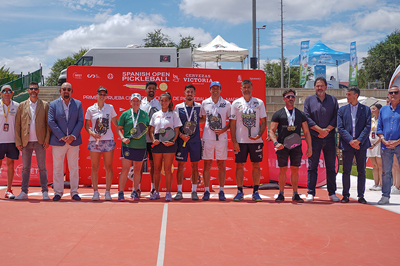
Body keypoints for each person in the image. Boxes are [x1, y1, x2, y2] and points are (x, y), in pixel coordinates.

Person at [269, 89, 312, 203]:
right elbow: (271, 131)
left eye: (292, 96)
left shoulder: (300, 114)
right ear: (284, 99)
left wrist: (310, 147)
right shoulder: (278, 114)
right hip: (282, 146)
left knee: (295, 169)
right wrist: (275, 143)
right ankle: (281, 194)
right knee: (282, 170)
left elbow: (306, 132)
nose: (291, 99)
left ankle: (295, 194)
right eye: (288, 97)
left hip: (296, 146)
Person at [303, 77, 339, 202]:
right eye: (317, 86)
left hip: (329, 138)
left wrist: (327, 130)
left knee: (330, 167)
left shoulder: (333, 100)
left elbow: (336, 117)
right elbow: (307, 118)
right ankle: (311, 192)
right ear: (314, 87)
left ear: (326, 87)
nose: (320, 88)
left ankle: (332, 192)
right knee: (312, 166)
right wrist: (320, 131)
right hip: (314, 138)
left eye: (322, 85)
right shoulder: (309, 100)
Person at [230, 80, 267, 202]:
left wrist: (259, 135)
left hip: (255, 140)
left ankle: (256, 192)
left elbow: (264, 121)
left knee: (256, 165)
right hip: (241, 140)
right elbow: (233, 124)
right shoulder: (235, 103)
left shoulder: (259, 102)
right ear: (241, 88)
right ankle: (239, 191)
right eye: (244, 87)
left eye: (248, 87)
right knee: (239, 165)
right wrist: (234, 141)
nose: (246, 89)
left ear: (252, 88)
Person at [14, 82, 50, 200]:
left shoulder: (45, 105)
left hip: (40, 141)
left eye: (35, 89)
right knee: (25, 168)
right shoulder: (21, 105)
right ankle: (24, 191)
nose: (33, 90)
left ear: (38, 91)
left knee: (42, 167)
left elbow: (47, 124)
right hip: (26, 142)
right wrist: (18, 141)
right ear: (28, 91)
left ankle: (45, 191)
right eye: (31, 89)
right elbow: (18, 124)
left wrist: (46, 139)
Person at [48, 82, 84, 201]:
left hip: (73, 141)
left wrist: (73, 136)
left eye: (69, 89)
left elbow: (80, 121)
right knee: (57, 168)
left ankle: (74, 192)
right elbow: (51, 121)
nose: (66, 91)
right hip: (59, 141)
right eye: (64, 89)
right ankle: (58, 192)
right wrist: (62, 136)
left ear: (71, 91)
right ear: (60, 91)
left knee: (73, 168)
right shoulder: (53, 104)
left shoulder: (78, 104)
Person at [337, 87, 371, 204]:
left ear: (356, 95)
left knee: (361, 171)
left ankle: (361, 196)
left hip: (361, 145)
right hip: (347, 145)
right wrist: (351, 140)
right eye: (346, 94)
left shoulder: (366, 110)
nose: (347, 96)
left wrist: (358, 141)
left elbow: (367, 127)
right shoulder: (342, 110)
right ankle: (345, 195)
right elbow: (340, 128)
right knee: (346, 170)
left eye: (349, 94)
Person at [84, 86, 118, 201]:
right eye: (100, 94)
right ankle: (95, 192)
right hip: (94, 141)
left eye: (104, 94)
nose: (102, 96)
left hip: (108, 140)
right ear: (96, 95)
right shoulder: (90, 109)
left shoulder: (110, 108)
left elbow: (115, 123)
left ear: (106, 96)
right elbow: (86, 126)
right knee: (95, 167)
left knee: (108, 167)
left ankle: (107, 192)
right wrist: (93, 134)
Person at [200, 81, 231, 201]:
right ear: (210, 90)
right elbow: (203, 119)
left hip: (222, 138)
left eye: (217, 88)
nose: (215, 90)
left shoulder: (227, 104)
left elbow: (231, 121)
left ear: (221, 90)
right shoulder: (204, 103)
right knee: (207, 164)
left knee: (221, 164)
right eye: (213, 88)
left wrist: (224, 130)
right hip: (207, 137)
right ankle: (206, 190)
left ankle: (222, 191)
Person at [117, 93, 149, 201]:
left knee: (137, 170)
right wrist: (122, 138)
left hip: (140, 146)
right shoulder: (125, 114)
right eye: (133, 101)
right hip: (127, 145)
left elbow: (147, 128)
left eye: (137, 101)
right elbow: (118, 128)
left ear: (140, 102)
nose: (135, 103)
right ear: (130, 102)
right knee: (125, 169)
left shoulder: (145, 115)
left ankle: (135, 191)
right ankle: (120, 192)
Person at [149, 92, 181, 201]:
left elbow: (177, 130)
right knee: (157, 169)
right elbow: (152, 130)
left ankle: (168, 193)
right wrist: (153, 139)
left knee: (168, 169)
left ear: (170, 101)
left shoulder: (174, 114)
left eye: (166, 100)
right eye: (162, 101)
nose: (164, 102)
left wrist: (173, 141)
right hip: (157, 142)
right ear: (159, 101)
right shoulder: (155, 114)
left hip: (169, 143)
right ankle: (156, 192)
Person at [174, 84, 203, 201]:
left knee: (195, 166)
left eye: (191, 92)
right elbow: (176, 123)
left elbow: (202, 119)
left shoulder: (199, 106)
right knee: (180, 166)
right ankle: (179, 191)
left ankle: (194, 191)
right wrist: (181, 134)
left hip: (195, 141)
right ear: (184, 93)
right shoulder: (178, 107)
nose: (189, 94)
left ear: (194, 94)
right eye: (188, 92)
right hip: (182, 141)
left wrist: (192, 127)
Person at [377, 85, 400, 204]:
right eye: (391, 93)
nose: (393, 94)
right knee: (386, 172)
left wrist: (397, 141)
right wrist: (383, 139)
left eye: (396, 92)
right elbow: (379, 127)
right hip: (386, 146)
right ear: (388, 95)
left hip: (399, 145)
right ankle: (385, 196)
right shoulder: (383, 110)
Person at [140, 81, 161, 196]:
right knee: (140, 164)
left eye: (153, 88)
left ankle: (153, 188)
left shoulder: (159, 103)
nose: (151, 90)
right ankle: (137, 189)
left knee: (153, 165)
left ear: (156, 90)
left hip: (154, 139)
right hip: (142, 139)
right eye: (149, 88)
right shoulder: (140, 102)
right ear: (146, 89)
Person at [0, 85, 19, 199]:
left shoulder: (17, 106)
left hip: (12, 140)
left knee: (10, 164)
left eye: (9, 91)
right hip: (0, 140)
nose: (6, 93)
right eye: (4, 91)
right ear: (1, 93)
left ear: (12, 93)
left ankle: (9, 190)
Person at [367, 103, 383, 191]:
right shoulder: (371, 120)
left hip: (378, 143)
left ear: (379, 110)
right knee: (374, 165)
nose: (373, 111)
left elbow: (382, 134)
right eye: (372, 109)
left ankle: (381, 184)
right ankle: (375, 183)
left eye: (374, 109)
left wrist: (374, 144)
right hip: (370, 143)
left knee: (380, 165)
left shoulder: (381, 120)